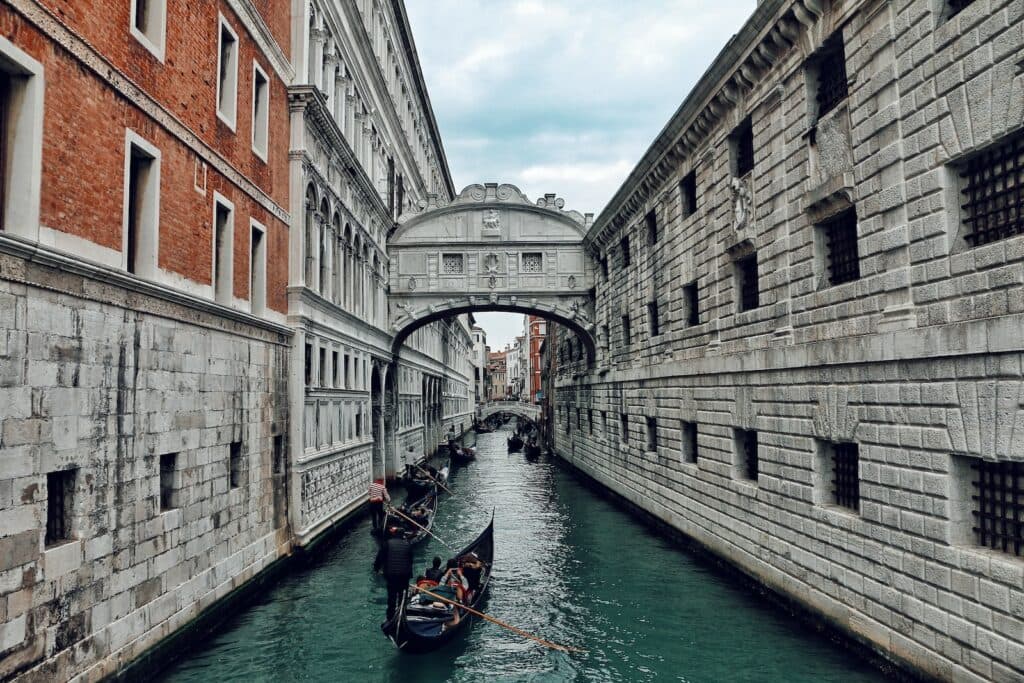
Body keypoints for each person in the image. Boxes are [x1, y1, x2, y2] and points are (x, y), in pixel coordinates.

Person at [378, 526, 413, 621]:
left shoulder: (387, 543)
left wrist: (377, 569)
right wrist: (410, 575)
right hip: (404, 575)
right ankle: (402, 614)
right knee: (402, 596)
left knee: (392, 596)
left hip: (391, 575)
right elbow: (410, 561)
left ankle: (390, 617)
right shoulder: (408, 544)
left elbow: (380, 557)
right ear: (403, 535)